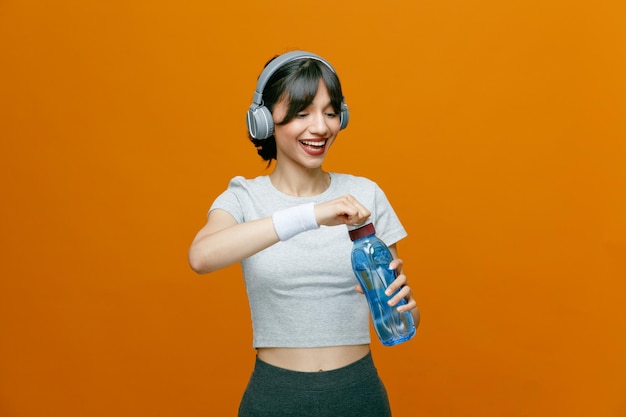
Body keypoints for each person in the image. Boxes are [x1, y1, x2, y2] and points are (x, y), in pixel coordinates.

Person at [188, 50, 420, 417]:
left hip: (359, 394)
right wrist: (311, 214)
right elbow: (201, 257)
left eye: (330, 112)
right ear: (264, 122)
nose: (321, 127)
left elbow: (394, 310)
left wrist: (407, 307)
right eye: (301, 113)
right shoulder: (243, 197)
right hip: (276, 396)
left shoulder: (365, 194)